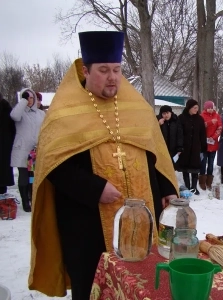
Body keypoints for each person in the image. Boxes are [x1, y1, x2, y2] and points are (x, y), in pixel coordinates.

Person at [28, 31, 178, 299]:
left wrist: (167, 186)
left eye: (117, 70)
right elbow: (54, 166)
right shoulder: (64, 112)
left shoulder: (137, 108)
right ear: (86, 71)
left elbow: (154, 152)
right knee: (94, 285)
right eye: (104, 70)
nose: (112, 77)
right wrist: (95, 188)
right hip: (88, 221)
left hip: (142, 215)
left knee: (142, 279)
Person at [10, 88, 45, 211]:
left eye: (31, 98)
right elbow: (14, 116)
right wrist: (23, 101)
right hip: (22, 150)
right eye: (26, 97)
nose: (29, 100)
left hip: (35, 151)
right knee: (24, 176)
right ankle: (25, 201)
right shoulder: (20, 112)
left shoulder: (41, 114)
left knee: (33, 177)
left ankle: (32, 197)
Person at [177, 99, 207, 195]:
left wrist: (203, 147)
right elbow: (179, 134)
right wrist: (179, 146)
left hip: (195, 147)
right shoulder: (181, 118)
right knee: (185, 168)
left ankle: (194, 187)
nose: (196, 109)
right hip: (184, 147)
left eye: (197, 108)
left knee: (195, 167)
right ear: (189, 108)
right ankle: (187, 186)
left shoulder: (200, 119)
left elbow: (203, 134)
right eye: (194, 108)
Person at [199, 100, 222, 190]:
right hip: (204, 144)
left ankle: (209, 181)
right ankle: (202, 181)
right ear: (205, 108)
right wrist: (209, 122)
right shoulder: (201, 116)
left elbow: (219, 127)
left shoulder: (217, 116)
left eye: (211, 108)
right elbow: (200, 127)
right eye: (208, 108)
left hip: (213, 143)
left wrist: (214, 136)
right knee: (203, 163)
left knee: (211, 163)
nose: (210, 109)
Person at [0, 92, 16, 194]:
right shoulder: (7, 107)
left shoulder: (6, 108)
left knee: (3, 174)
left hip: (4, 145)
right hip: (5, 144)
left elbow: (13, 127)